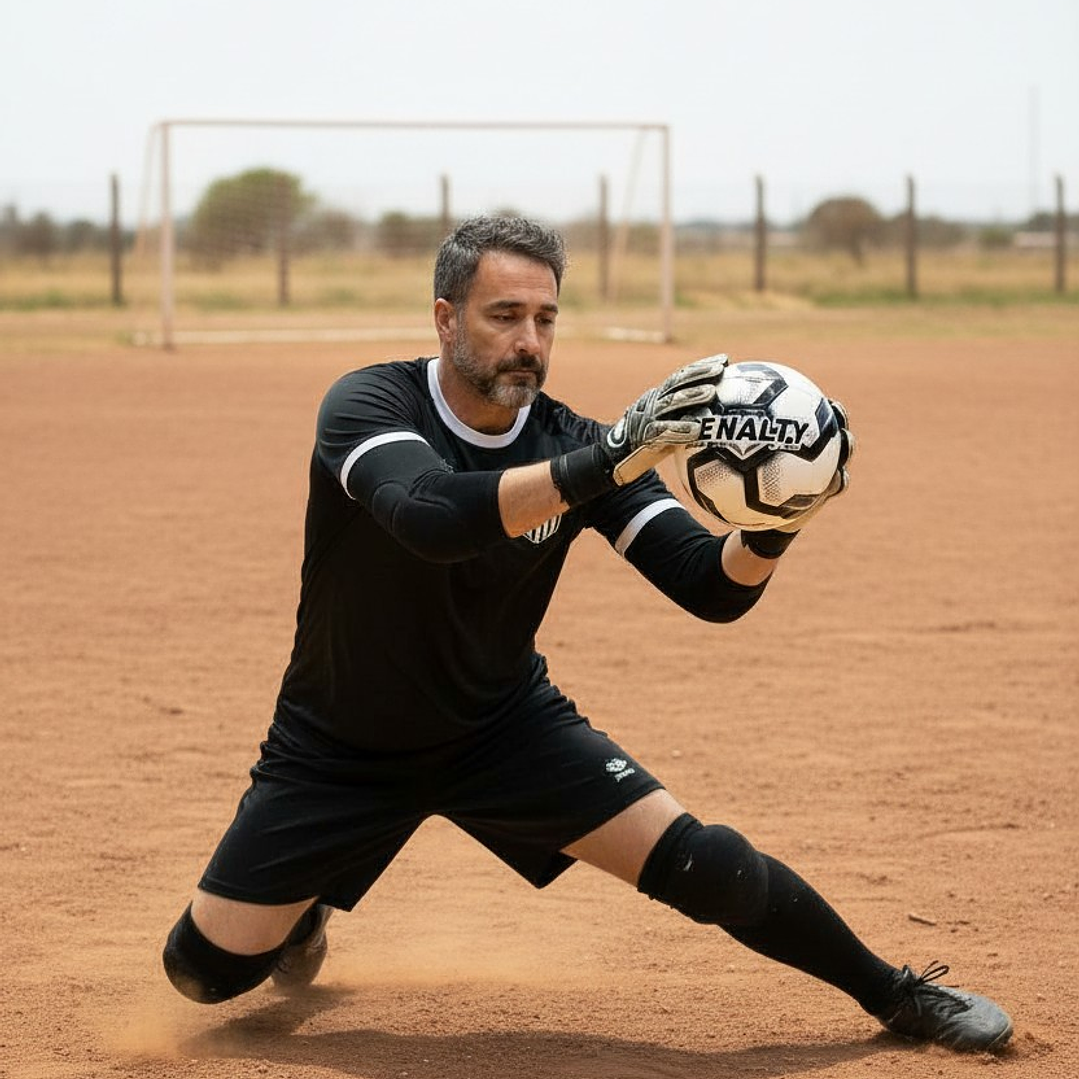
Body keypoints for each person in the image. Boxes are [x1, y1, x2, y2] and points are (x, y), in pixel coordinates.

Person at [163, 215, 1012, 1054]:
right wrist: (606, 459)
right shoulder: (371, 402)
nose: (528, 340)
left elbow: (709, 586)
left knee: (704, 861)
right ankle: (310, 900)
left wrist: (781, 516)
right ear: (445, 318)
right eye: (504, 316)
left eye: (545, 318)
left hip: (501, 729)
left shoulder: (573, 441)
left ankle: (897, 992)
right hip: (337, 742)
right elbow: (430, 516)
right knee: (203, 974)